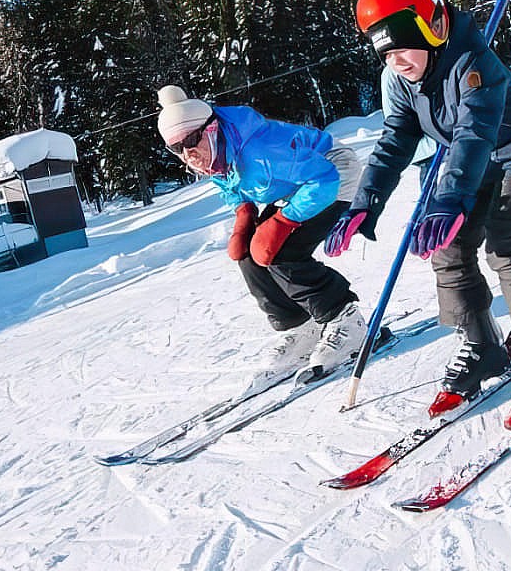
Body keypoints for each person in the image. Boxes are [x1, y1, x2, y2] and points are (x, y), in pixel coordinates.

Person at [323, 0, 511, 430]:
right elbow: (396, 139)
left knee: (504, 243)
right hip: (476, 160)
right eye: (386, 53)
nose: (396, 61)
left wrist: (450, 199)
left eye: (403, 47)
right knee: (448, 247)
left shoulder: (473, 61)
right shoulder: (403, 79)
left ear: (433, 26)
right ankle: (482, 345)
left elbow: (473, 131)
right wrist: (366, 200)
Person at [156, 85, 368, 386]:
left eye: (192, 140)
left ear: (211, 128)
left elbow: (323, 178)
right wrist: (244, 212)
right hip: (296, 184)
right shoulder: (215, 150)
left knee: (280, 251)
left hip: (333, 172)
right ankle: (298, 326)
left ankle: (345, 320)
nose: (188, 154)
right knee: (247, 253)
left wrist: (283, 221)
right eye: (177, 148)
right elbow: (229, 183)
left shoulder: (260, 152)